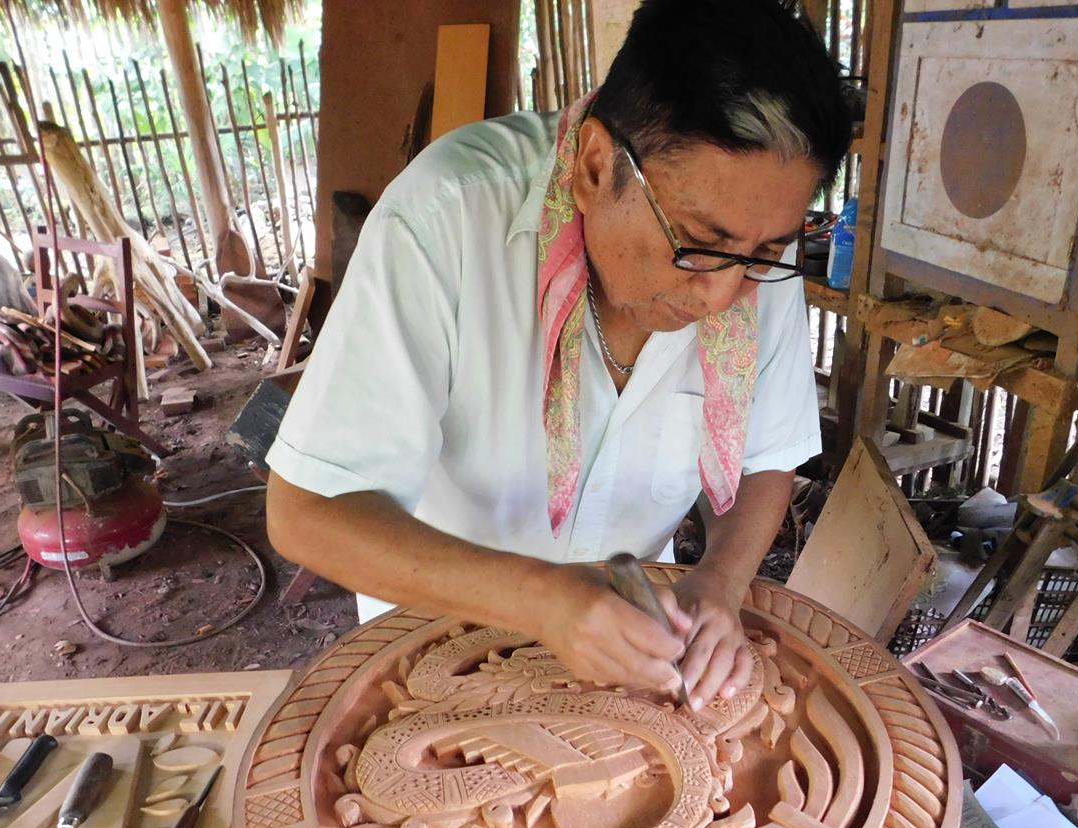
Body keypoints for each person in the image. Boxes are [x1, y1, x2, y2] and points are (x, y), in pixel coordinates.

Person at [266, 0, 852, 712]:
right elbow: (304, 511)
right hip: (436, 643)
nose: (722, 294)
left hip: (642, 645)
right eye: (697, 243)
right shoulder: (443, 219)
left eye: (762, 254)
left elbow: (768, 457)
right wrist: (543, 599)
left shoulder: (752, 251)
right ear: (596, 166)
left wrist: (718, 585)